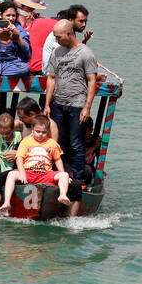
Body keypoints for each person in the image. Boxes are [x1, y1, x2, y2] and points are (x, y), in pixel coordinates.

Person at [43, 19, 99, 181]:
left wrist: (87, 107)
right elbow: (51, 78)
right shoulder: (57, 52)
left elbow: (91, 81)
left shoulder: (85, 53)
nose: (56, 40)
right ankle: (59, 176)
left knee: (76, 143)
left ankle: (78, 179)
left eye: (59, 37)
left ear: (69, 34)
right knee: (58, 142)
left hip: (77, 104)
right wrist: (47, 104)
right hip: (58, 104)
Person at [0, 115, 72, 213]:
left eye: (44, 132)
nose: (40, 134)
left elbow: (58, 159)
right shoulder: (26, 141)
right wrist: (22, 173)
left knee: (65, 175)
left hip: (45, 174)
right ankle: (7, 202)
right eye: (38, 131)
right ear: (32, 129)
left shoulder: (52, 143)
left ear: (48, 131)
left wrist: (63, 175)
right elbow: (19, 158)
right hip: (28, 172)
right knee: (11, 174)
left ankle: (63, 195)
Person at [39, 4, 93, 72]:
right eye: (81, 21)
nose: (84, 24)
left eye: (85, 21)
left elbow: (74, 53)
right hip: (50, 71)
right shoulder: (62, 32)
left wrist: (84, 41)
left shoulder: (70, 32)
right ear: (71, 20)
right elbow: (56, 58)